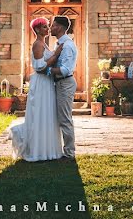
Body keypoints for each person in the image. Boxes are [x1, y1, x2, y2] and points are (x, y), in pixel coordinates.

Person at [9, 17, 64, 161]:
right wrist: (56, 54)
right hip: (41, 83)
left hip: (48, 82)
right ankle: (30, 143)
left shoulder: (44, 44)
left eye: (47, 26)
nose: (48, 28)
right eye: (45, 27)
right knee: (40, 114)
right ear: (38, 29)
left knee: (47, 114)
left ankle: (47, 149)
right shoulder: (37, 45)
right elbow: (40, 67)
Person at [48, 14, 78, 159]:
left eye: (52, 25)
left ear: (59, 27)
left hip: (65, 83)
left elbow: (66, 69)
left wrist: (45, 70)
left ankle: (69, 153)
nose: (50, 28)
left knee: (65, 119)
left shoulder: (67, 45)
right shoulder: (58, 44)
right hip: (58, 83)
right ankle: (59, 149)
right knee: (59, 118)